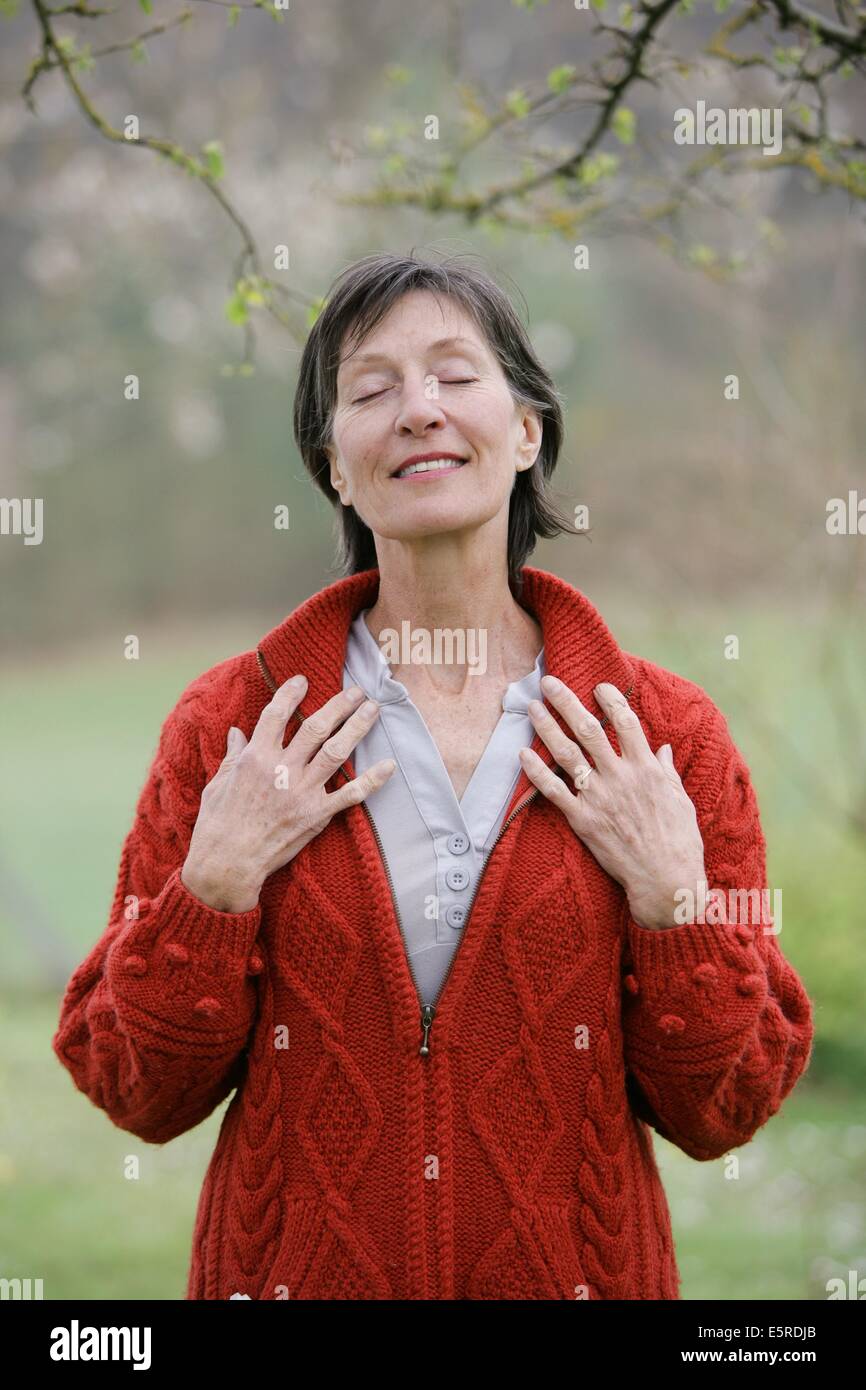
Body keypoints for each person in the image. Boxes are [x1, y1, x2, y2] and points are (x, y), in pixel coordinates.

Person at [53, 251, 814, 1300]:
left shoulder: (663, 736)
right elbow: (133, 1086)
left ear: (526, 430)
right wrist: (209, 892)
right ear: (332, 463)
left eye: (455, 376)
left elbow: (724, 1107)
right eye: (369, 389)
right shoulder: (230, 725)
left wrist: (676, 903)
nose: (417, 410)